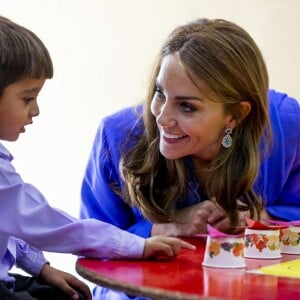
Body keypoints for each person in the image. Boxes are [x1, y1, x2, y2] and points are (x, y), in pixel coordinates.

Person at [80, 18, 300, 299]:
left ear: (236, 114)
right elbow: (91, 248)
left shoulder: (287, 124)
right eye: (160, 93)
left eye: (186, 106)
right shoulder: (117, 136)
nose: (161, 117)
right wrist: (161, 228)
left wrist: (263, 218)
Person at [0, 15, 196, 300]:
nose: (36, 111)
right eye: (27, 98)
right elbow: (46, 223)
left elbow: (9, 221)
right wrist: (136, 245)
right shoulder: (118, 134)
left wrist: (41, 268)